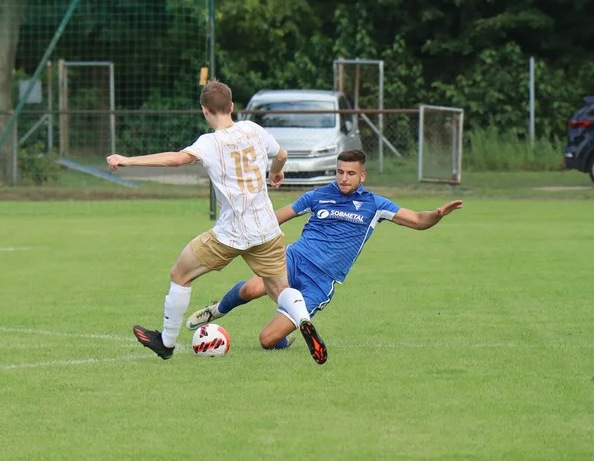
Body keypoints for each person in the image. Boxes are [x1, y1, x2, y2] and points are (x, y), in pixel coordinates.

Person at [105, 79, 328, 365]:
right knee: (279, 289)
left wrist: (128, 161)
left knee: (180, 274)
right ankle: (304, 321)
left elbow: (176, 159)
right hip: (267, 230)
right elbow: (282, 154)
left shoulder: (209, 143)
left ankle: (167, 342)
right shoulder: (254, 130)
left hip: (230, 233)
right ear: (232, 107)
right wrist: (275, 173)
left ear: (205, 111)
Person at [186, 149, 463, 350]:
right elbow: (276, 217)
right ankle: (217, 310)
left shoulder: (375, 205)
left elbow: (417, 220)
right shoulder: (319, 195)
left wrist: (437, 214)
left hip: (321, 281)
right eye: (340, 172)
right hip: (293, 259)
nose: (344, 178)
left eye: (351, 173)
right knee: (250, 290)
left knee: (267, 340)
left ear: (362, 176)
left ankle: (290, 332)